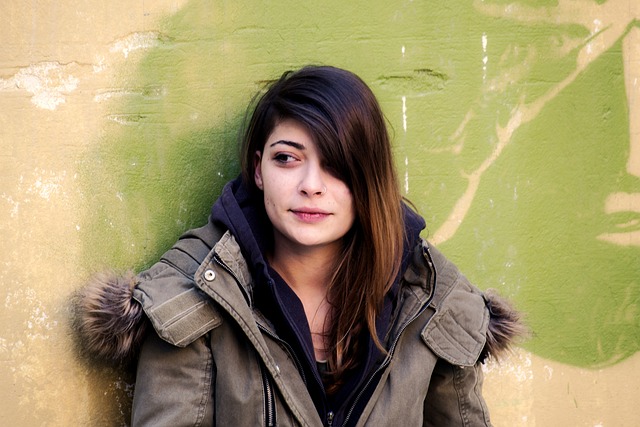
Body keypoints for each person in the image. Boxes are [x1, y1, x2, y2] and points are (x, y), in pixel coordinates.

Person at [75, 65, 525, 426]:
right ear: (258, 169)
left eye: (337, 165)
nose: (311, 186)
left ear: (368, 178)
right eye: (287, 159)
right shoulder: (191, 299)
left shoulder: (434, 302)